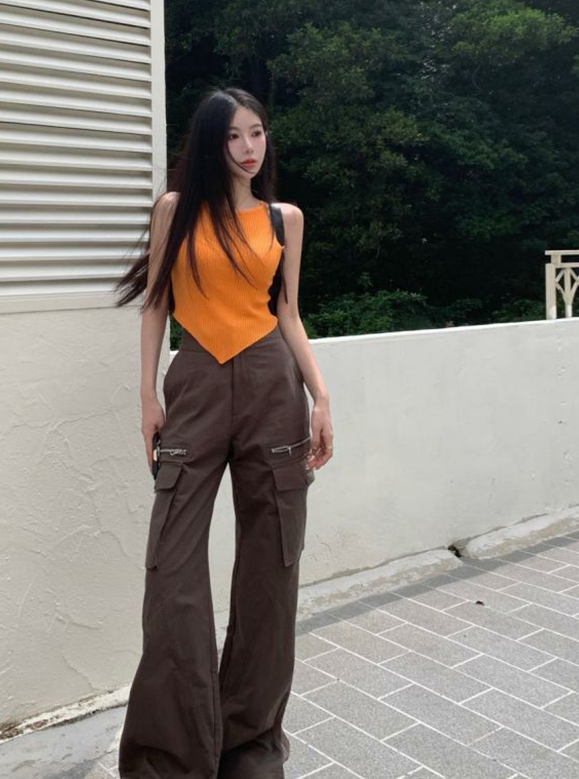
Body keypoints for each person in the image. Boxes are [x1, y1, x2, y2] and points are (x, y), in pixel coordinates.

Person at [113, 86, 334, 778]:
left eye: (257, 133)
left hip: (273, 387)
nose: (248, 148)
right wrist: (147, 395)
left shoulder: (284, 219)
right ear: (212, 143)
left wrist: (321, 397)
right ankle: (170, 759)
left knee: (272, 569)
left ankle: (250, 748)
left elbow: (288, 313)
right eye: (234, 136)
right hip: (197, 385)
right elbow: (156, 306)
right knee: (172, 572)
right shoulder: (175, 211)